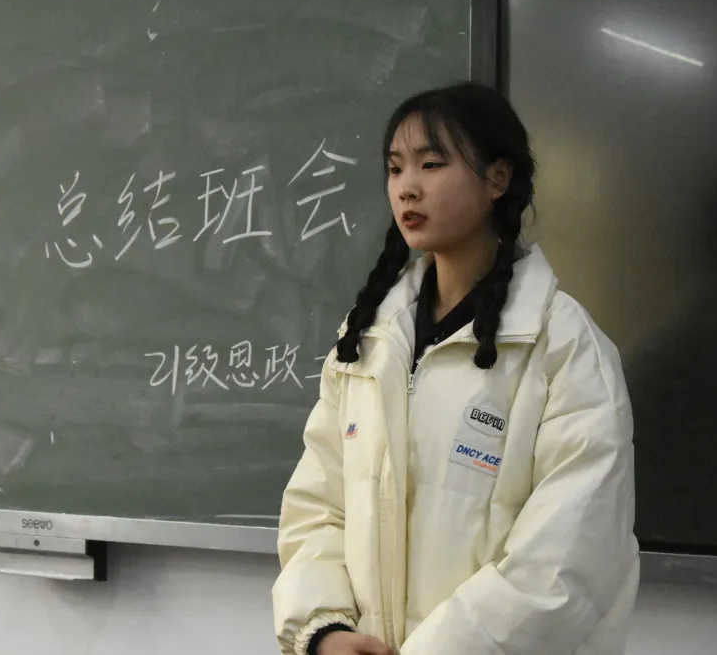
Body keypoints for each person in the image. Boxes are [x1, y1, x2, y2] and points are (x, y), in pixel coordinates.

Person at [272, 82, 639, 655]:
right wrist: (323, 630)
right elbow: (318, 506)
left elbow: (568, 559)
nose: (407, 187)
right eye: (395, 168)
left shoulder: (563, 347)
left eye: (432, 164)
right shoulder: (368, 340)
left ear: (497, 179)